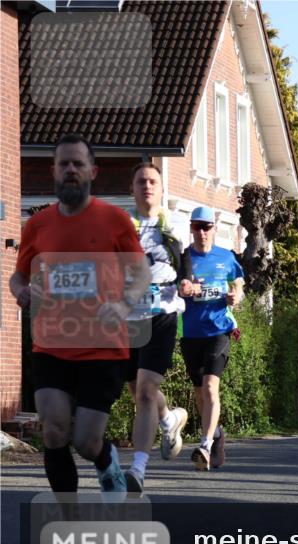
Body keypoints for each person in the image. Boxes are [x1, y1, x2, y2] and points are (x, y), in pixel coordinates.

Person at [9, 134, 151, 496]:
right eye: (64, 164)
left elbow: (140, 274)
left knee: (87, 442)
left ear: (93, 172)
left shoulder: (115, 220)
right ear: (54, 171)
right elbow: (18, 276)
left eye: (78, 164)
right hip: (51, 344)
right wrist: (21, 291)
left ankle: (106, 460)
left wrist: (123, 304)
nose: (71, 169)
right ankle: (68, 513)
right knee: (54, 430)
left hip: (103, 347)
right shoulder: (37, 225)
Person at [121, 163, 191, 494]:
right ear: (132, 189)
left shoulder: (174, 225)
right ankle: (169, 419)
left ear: (161, 189)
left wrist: (187, 282)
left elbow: (185, 262)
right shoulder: (122, 226)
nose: (147, 186)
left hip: (163, 312)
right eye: (141, 181)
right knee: (137, 390)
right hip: (130, 315)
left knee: (147, 389)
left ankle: (137, 468)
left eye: (153, 181)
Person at [177, 207, 244, 471]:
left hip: (219, 330)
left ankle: (204, 445)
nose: (202, 232)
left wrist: (235, 296)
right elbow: (177, 286)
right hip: (191, 332)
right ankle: (216, 434)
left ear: (214, 228)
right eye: (197, 227)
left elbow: (238, 281)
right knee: (199, 393)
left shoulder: (225, 256)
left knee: (209, 386)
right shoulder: (184, 257)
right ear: (191, 229)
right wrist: (185, 289)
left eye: (206, 227)